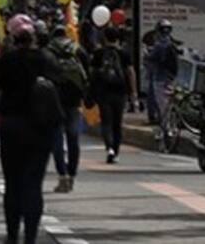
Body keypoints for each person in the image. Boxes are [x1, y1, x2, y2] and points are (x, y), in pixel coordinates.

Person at [0, 13, 60, 244]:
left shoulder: (7, 60)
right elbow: (62, 85)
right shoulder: (47, 59)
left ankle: (12, 234)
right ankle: (31, 237)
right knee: (34, 183)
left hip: (12, 126)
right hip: (42, 128)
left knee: (13, 182)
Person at [48, 26, 88, 192]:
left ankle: (62, 174)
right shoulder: (77, 48)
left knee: (56, 138)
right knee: (73, 138)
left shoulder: (49, 51)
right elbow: (87, 71)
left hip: (55, 99)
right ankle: (72, 174)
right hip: (74, 99)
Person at [89, 26, 135, 164]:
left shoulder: (98, 53)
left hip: (103, 92)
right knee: (117, 123)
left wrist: (91, 91)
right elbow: (130, 73)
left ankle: (109, 147)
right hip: (120, 92)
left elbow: (92, 73)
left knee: (106, 122)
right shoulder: (124, 54)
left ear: (105, 38)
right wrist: (133, 92)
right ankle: (116, 151)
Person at [145, 19, 178, 137]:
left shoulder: (159, 45)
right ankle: (168, 126)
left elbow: (150, 58)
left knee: (162, 104)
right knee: (168, 102)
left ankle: (165, 129)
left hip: (159, 77)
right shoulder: (171, 43)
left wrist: (147, 54)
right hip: (170, 77)